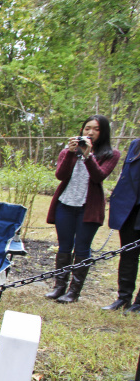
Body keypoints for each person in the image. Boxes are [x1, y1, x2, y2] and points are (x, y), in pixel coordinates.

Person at [44, 115, 120, 303]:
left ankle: (73, 292)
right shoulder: (67, 151)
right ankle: (59, 287)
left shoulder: (111, 154)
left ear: (103, 133)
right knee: (64, 247)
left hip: (88, 208)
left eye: (96, 129)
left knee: (82, 248)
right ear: (81, 130)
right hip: (66, 205)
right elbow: (60, 175)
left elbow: (98, 176)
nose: (90, 132)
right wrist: (71, 153)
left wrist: (88, 156)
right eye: (87, 128)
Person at [104, 136, 140, 312]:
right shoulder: (135, 145)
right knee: (128, 255)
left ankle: (139, 303)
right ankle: (123, 298)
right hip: (130, 209)